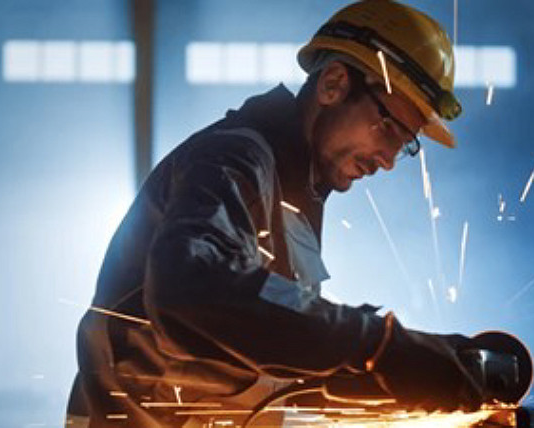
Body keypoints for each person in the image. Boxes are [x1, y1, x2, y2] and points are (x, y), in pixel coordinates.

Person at [66, 1, 486, 427]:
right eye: (391, 126)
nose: (390, 158)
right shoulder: (234, 160)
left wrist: (406, 376)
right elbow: (194, 285)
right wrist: (380, 345)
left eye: (407, 142)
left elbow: (272, 343)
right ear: (334, 84)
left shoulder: (295, 191)